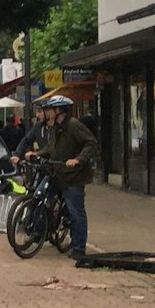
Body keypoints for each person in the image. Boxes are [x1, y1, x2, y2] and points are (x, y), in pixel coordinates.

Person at [37, 94, 99, 264]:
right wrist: (36, 154)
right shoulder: (56, 127)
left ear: (59, 111)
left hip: (74, 176)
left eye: (49, 110)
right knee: (41, 196)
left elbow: (91, 143)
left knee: (75, 212)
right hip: (58, 173)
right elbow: (52, 148)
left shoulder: (73, 125)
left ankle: (79, 247)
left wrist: (78, 159)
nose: (46, 113)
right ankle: (40, 231)